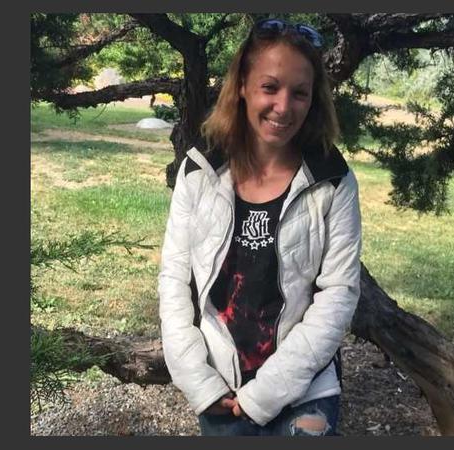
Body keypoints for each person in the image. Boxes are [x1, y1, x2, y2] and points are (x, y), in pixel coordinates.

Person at [157, 18, 362, 436]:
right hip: (220, 387)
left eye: (299, 93)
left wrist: (268, 392)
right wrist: (197, 379)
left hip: (303, 389)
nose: (284, 107)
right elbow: (175, 278)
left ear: (313, 99)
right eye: (270, 87)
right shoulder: (199, 170)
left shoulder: (333, 180)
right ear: (242, 87)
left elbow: (338, 294)